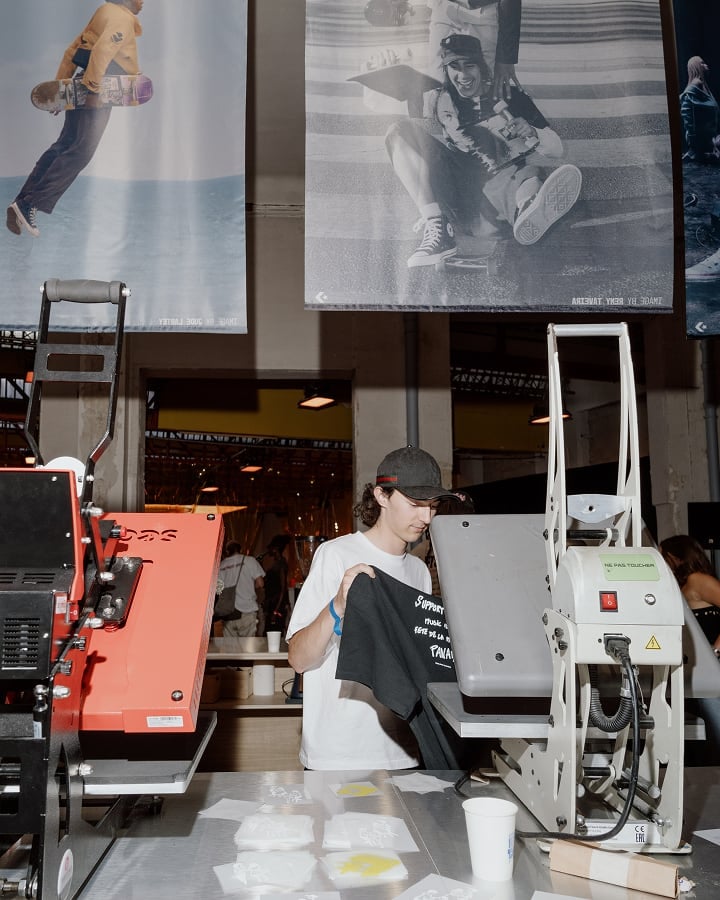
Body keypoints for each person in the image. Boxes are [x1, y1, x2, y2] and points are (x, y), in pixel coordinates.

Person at [286, 445, 459, 770]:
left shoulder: (418, 571)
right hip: (337, 754)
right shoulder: (336, 555)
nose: (426, 517)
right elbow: (298, 658)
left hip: (404, 752)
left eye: (433, 506)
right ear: (381, 495)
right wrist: (337, 605)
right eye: (414, 504)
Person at [384, 33, 582, 267]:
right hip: (459, 195)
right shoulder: (438, 98)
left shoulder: (510, 96)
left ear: (482, 66)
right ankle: (436, 226)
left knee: (529, 175)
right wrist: (388, 71)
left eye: (470, 66)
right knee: (397, 131)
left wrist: (532, 132)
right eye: (454, 67)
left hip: (502, 198)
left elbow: (557, 149)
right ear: (446, 69)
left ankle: (530, 209)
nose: (463, 75)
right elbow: (405, 125)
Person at [6, 0, 145, 238]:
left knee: (64, 145)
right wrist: (93, 90)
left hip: (80, 83)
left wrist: (60, 91)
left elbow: (72, 51)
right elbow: (103, 50)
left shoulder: (103, 12)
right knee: (81, 151)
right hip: (99, 87)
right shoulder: (121, 18)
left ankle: (22, 201)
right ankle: (31, 204)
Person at [659, 534, 720, 764]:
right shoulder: (680, 587)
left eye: (662, 555)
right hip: (694, 671)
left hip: (710, 671)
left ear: (675, 556)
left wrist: (714, 651)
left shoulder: (697, 580)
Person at [428, 0, 522, 100]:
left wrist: (506, 57)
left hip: (482, 13)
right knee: (437, 86)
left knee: (478, 89)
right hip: (443, 9)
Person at [217, 541, 266, 638]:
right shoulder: (249, 561)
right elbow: (260, 583)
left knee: (231, 650)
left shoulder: (221, 566)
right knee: (247, 650)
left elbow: (218, 590)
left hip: (228, 613)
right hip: (247, 611)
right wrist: (249, 586)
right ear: (240, 549)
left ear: (227, 551)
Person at [680, 56, 720, 164]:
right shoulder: (696, 83)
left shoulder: (704, 86)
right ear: (696, 67)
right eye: (702, 63)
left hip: (710, 140)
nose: (706, 65)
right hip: (702, 143)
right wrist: (694, 146)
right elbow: (686, 108)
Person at [258, 534, 291, 634]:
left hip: (277, 604)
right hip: (272, 603)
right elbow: (268, 581)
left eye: (271, 548)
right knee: (270, 633)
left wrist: (276, 610)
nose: (269, 551)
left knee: (274, 632)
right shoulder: (276, 564)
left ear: (275, 549)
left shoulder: (281, 564)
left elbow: (283, 588)